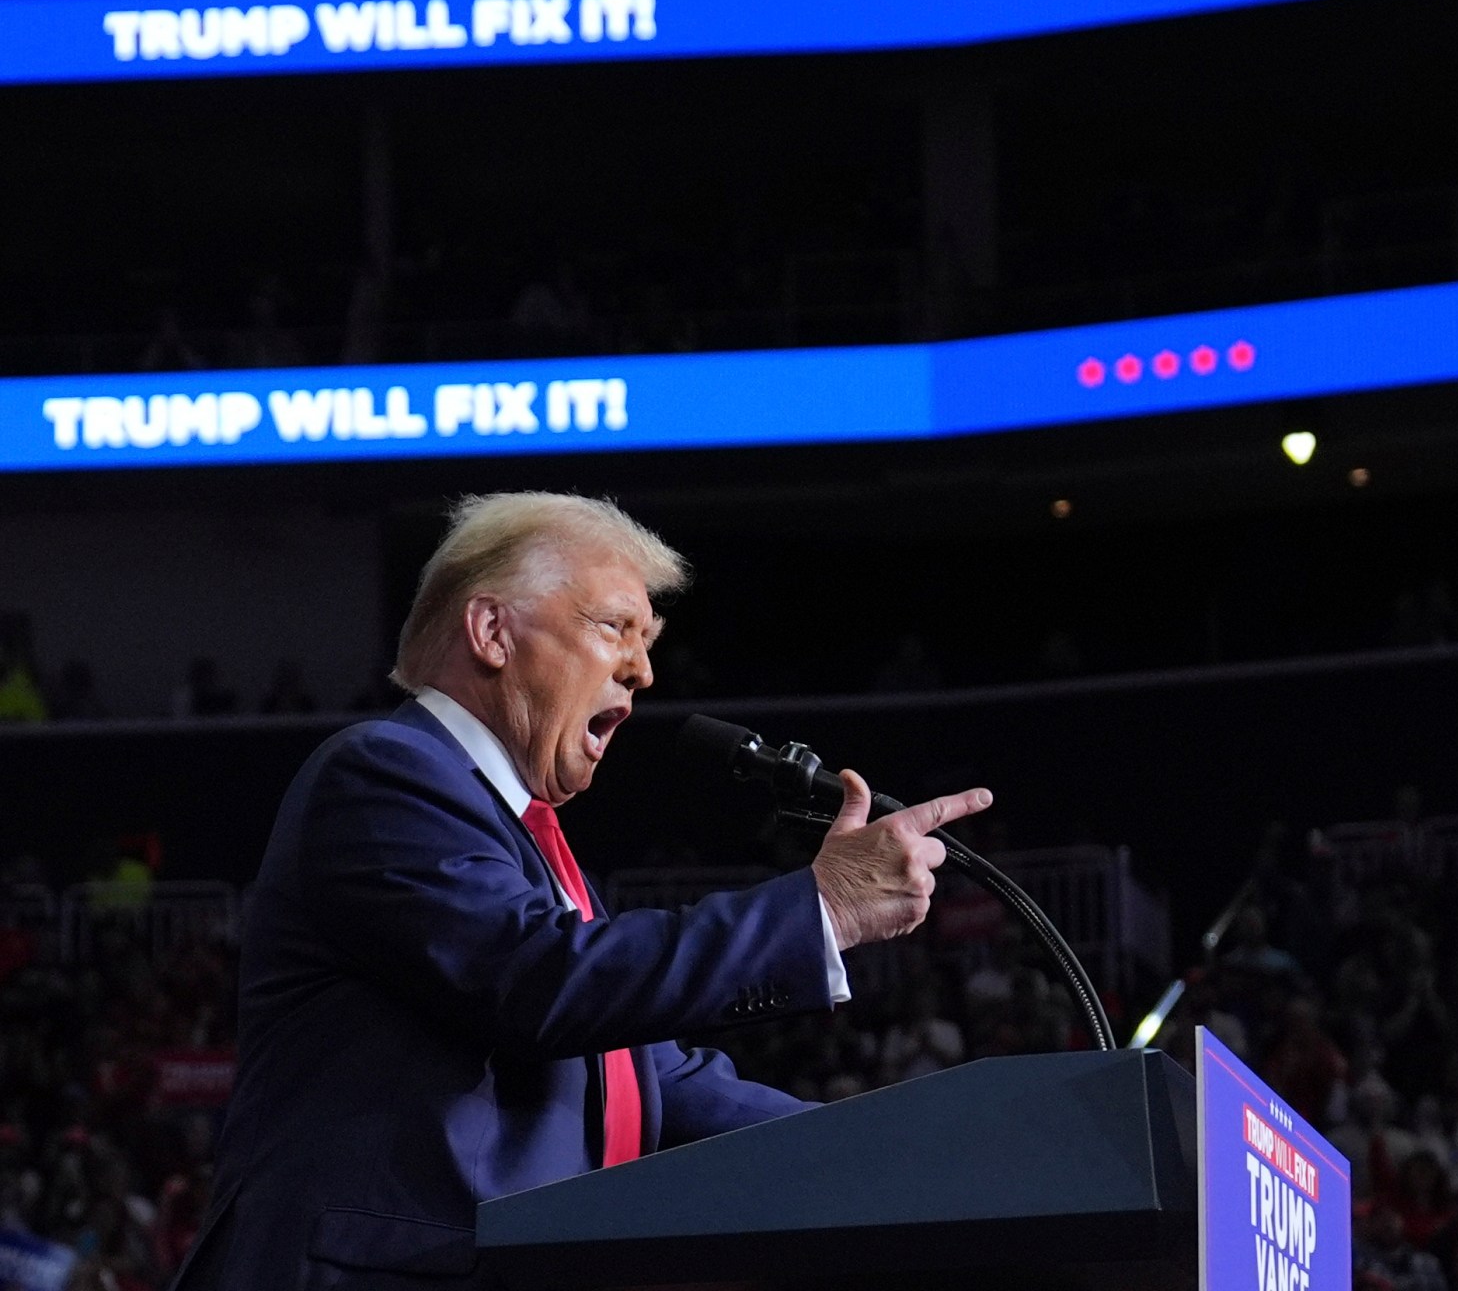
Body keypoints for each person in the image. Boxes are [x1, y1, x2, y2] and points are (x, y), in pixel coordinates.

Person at [171, 492, 990, 1290]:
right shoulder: (383, 773)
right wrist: (824, 908)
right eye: (615, 628)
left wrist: (896, 1149)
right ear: (492, 631)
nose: (643, 668)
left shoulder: (531, 848)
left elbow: (653, 1082)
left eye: (648, 639)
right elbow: (540, 979)